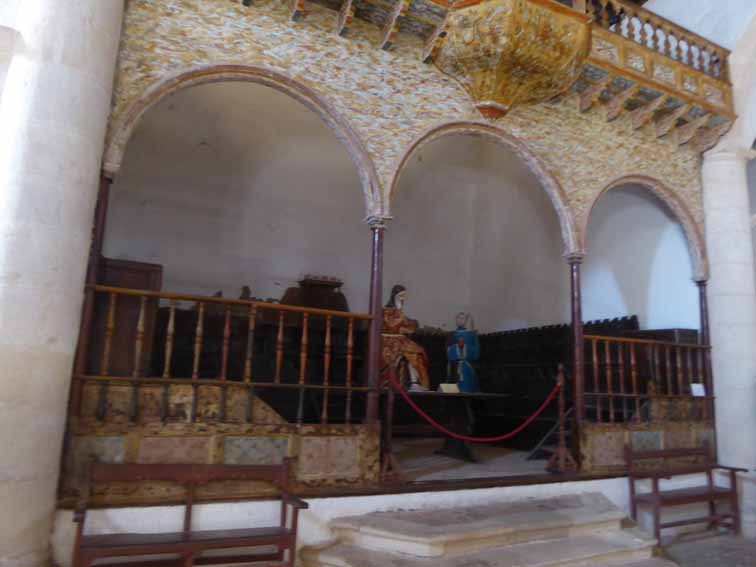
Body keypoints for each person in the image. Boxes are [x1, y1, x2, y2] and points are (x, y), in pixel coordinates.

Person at [381, 285, 431, 391]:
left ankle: (415, 382)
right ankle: (410, 382)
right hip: (388, 340)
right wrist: (400, 312)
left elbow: (406, 325)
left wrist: (412, 323)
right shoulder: (386, 310)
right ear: (394, 296)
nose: (403, 298)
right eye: (401, 296)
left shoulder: (399, 310)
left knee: (418, 352)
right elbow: (391, 325)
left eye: (404, 296)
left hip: (400, 339)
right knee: (409, 352)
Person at [447, 312, 480, 393]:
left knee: (467, 387)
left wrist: (464, 348)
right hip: (454, 367)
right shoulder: (452, 334)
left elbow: (476, 351)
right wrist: (457, 347)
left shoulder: (472, 335)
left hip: (467, 367)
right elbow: (448, 350)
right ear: (455, 320)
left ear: (466, 321)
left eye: (463, 318)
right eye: (458, 318)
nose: (460, 320)